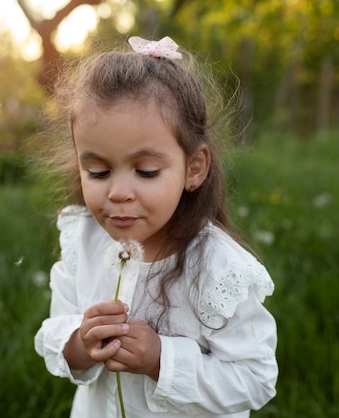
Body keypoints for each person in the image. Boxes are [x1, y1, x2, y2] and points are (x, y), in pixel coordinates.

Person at [35, 36, 277, 417]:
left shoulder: (218, 269)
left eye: (146, 171)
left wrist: (161, 360)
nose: (118, 192)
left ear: (193, 168)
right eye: (97, 171)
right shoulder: (82, 240)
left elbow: (255, 377)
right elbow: (55, 329)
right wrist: (80, 344)